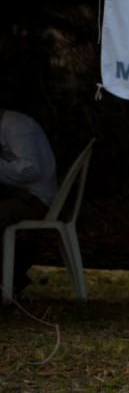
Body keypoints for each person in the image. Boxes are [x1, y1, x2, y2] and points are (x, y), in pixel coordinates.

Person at [0, 106, 58, 296]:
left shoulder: (16, 126)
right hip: (21, 197)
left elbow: (31, 169)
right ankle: (11, 278)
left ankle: (9, 278)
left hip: (34, 200)